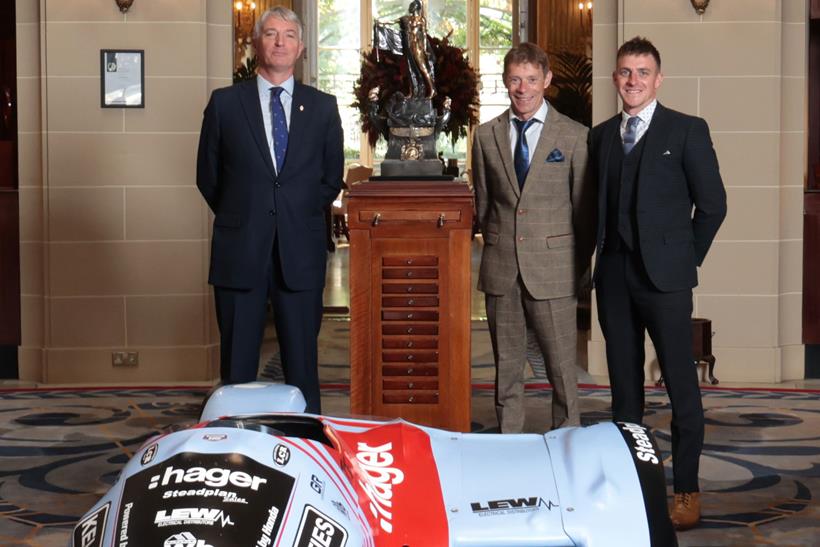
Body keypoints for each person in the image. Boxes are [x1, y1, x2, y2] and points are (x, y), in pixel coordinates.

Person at [589, 36, 727, 530]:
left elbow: (713, 205)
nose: (633, 81)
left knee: (682, 389)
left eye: (642, 72)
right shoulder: (601, 136)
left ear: (658, 78)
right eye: (625, 72)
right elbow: (594, 211)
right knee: (625, 393)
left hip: (666, 282)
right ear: (615, 79)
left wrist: (684, 259)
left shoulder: (687, 130)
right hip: (614, 279)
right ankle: (636, 487)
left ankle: (687, 490)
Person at [196, 7, 344, 414]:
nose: (281, 42)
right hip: (240, 251)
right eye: (272, 34)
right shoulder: (225, 104)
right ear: (257, 42)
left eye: (290, 35)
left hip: (300, 252)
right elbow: (208, 177)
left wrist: (291, 215)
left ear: (300, 48)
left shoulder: (322, 107)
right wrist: (247, 214)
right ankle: (236, 451)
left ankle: (309, 451)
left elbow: (331, 178)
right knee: (237, 368)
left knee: (302, 369)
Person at [472, 42, 595, 433]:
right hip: (502, 268)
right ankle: (510, 447)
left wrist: (577, 269)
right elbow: (485, 203)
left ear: (547, 80)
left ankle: (567, 442)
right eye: (514, 80)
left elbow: (584, 212)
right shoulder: (486, 136)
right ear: (505, 82)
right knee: (506, 370)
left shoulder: (574, 136)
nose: (522, 89)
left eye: (530, 79)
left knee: (561, 370)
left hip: (554, 271)